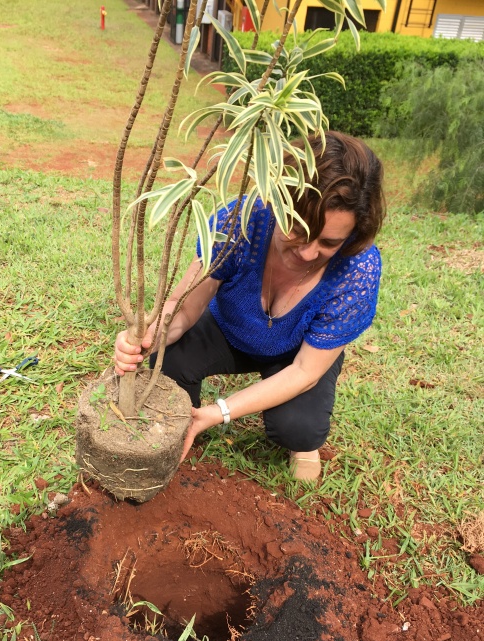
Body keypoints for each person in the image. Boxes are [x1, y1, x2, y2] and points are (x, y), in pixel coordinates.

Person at [114, 131, 385, 481]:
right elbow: (182, 311)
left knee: (298, 427)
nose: (307, 253)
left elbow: (305, 370)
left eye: (329, 242)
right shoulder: (240, 223)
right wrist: (142, 338)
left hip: (298, 353)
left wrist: (218, 411)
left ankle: (301, 442)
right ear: (276, 203)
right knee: (168, 359)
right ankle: (181, 416)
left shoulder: (357, 268)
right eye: (297, 230)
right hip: (230, 328)